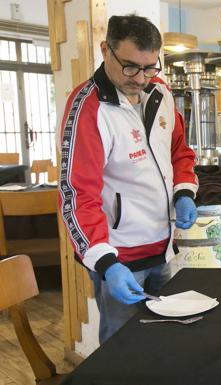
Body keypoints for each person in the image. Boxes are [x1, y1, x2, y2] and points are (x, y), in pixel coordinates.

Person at [58, 15, 198, 343]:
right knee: (121, 350)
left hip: (164, 247)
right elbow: (77, 195)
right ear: (106, 49)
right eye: (131, 67)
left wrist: (184, 191)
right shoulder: (88, 109)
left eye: (151, 67)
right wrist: (105, 262)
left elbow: (179, 152)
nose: (141, 78)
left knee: (170, 342)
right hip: (120, 258)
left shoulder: (161, 93)